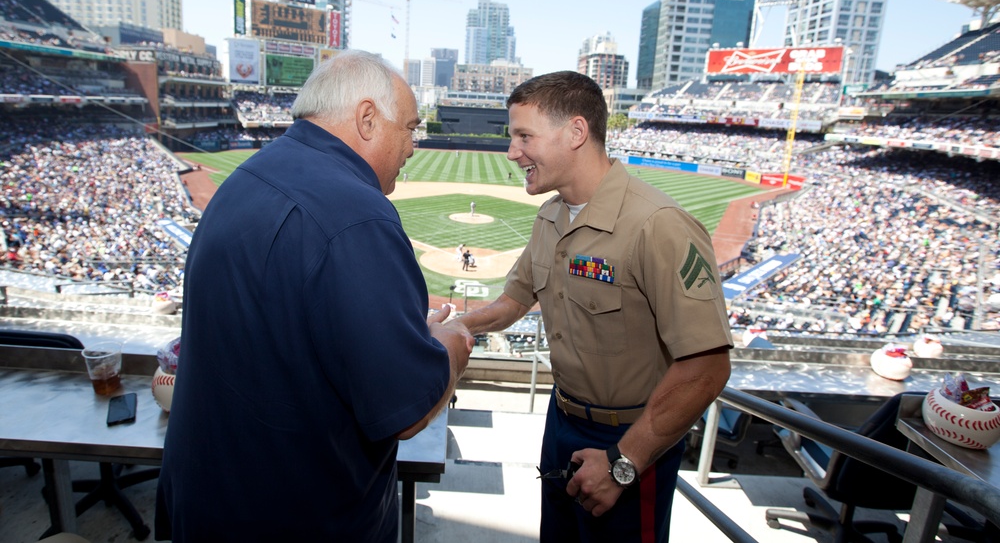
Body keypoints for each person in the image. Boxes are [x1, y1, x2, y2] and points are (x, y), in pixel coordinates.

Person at [155, 51, 474, 542]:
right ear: (368, 119)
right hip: (297, 517)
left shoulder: (247, 175)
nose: (413, 145)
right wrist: (450, 342)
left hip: (204, 501)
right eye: (409, 128)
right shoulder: (356, 214)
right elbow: (406, 409)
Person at [457, 71, 732, 543]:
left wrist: (623, 463)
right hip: (561, 422)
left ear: (576, 133)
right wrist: (453, 324)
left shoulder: (659, 225)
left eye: (524, 136)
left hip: (631, 440)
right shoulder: (552, 214)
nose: (512, 152)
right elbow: (513, 301)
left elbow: (707, 369)